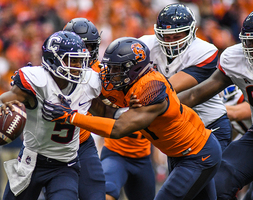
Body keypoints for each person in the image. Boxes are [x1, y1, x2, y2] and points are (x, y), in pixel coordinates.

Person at [42, 37, 222, 200]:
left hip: (198, 154)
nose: (110, 72)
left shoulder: (152, 88)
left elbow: (118, 128)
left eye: (116, 68)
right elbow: (104, 109)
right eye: (110, 66)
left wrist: (72, 117)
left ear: (134, 68)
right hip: (178, 154)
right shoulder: (127, 82)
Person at [0, 31, 101, 200]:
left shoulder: (89, 81)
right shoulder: (37, 81)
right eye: (72, 60)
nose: (78, 66)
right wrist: (0, 109)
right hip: (31, 162)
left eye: (80, 60)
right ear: (53, 59)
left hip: (65, 165)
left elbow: (107, 112)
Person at [64, 17, 156, 200]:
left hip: (144, 155)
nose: (82, 53)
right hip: (114, 151)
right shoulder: (98, 77)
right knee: (105, 192)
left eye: (87, 47)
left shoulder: (107, 74)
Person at [177, 11, 253, 200]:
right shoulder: (235, 58)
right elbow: (197, 93)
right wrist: (162, 104)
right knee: (218, 181)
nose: (250, 47)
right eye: (249, 42)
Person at [139, 3, 232, 152]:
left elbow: (168, 88)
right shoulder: (145, 44)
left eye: (177, 36)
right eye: (167, 36)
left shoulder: (204, 51)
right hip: (178, 127)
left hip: (209, 123)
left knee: (212, 174)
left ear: (191, 32)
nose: (171, 42)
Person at [63, 18, 106, 200]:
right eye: (77, 46)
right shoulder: (49, 71)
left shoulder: (98, 73)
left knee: (95, 193)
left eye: (87, 47)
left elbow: (112, 106)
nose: (82, 54)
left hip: (82, 141)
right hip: (50, 146)